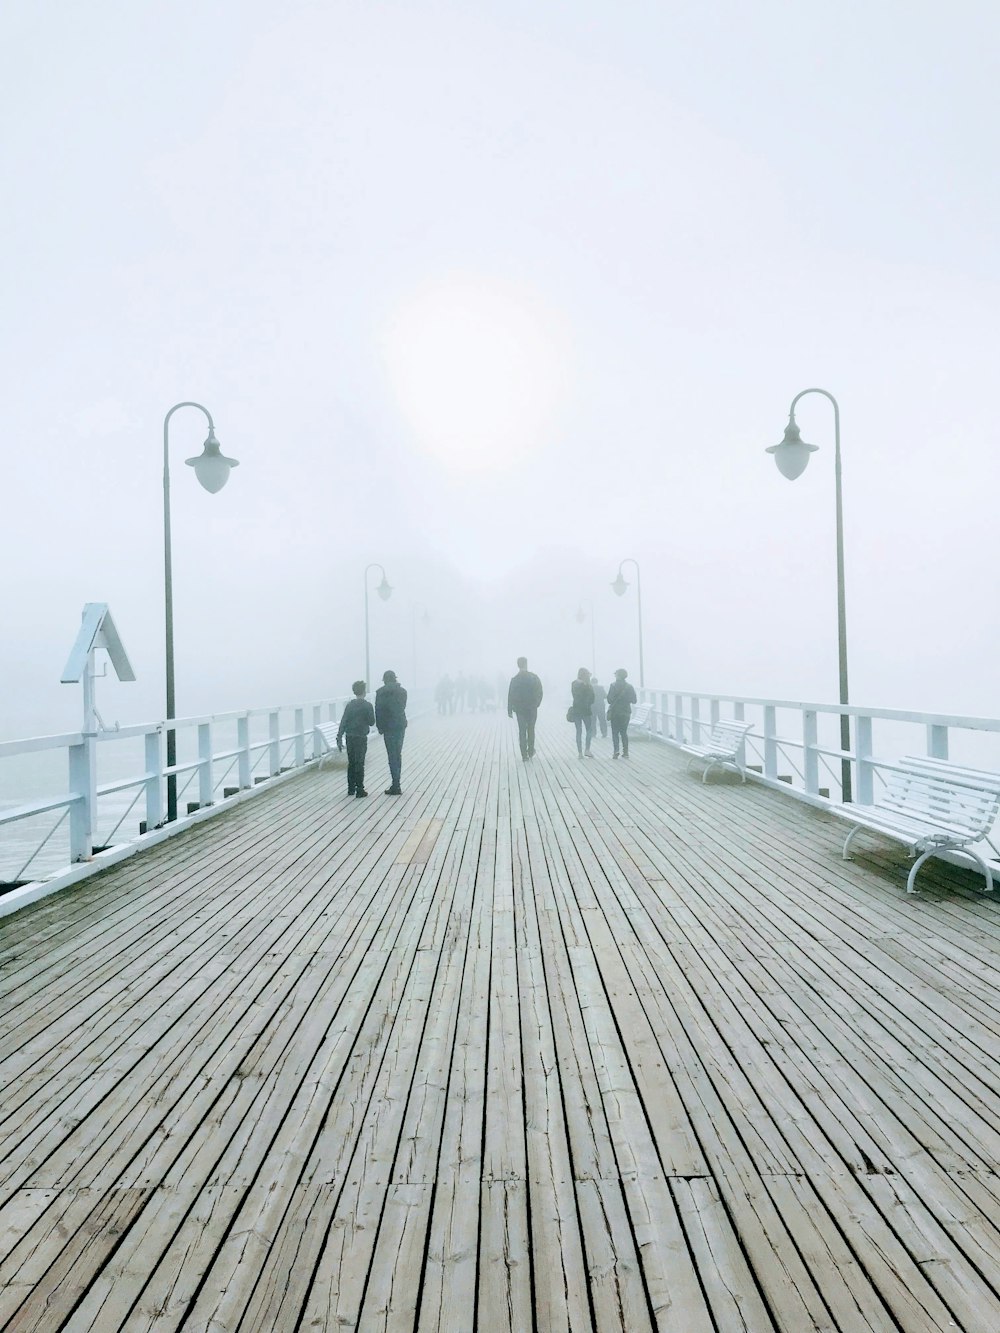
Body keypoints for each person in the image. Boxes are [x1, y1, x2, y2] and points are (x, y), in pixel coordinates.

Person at [336, 680, 375, 797]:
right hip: (361, 737)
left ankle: (351, 788)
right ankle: (360, 789)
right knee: (359, 762)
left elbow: (344, 721)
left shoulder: (349, 705)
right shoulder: (368, 705)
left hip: (350, 736)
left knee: (351, 762)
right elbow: (372, 722)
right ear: (364, 691)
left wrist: (339, 736)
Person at [375, 669, 408, 794]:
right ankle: (397, 783)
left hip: (388, 727)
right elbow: (402, 708)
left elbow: (378, 711)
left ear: (385, 680)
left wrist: (380, 727)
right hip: (400, 726)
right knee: (397, 754)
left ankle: (395, 784)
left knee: (391, 755)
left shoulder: (381, 693)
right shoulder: (403, 692)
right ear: (395, 678)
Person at [507, 656, 543, 760]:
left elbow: (510, 695)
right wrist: (537, 703)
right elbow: (540, 691)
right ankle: (531, 751)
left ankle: (524, 755)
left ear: (518, 665)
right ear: (526, 664)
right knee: (531, 729)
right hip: (531, 708)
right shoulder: (533, 677)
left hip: (520, 709)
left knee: (522, 731)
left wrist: (510, 710)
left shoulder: (515, 679)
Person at [606, 667, 638, 759]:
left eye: (615, 674)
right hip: (625, 712)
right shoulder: (629, 687)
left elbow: (609, 700)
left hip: (615, 712)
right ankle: (626, 752)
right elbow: (634, 700)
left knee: (615, 732)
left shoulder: (613, 686)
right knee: (624, 732)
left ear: (618, 675)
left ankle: (616, 751)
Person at [570, 667, 596, 758]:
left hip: (577, 710)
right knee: (589, 730)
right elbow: (592, 698)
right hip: (586, 711)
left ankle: (580, 753)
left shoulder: (574, 684)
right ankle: (587, 750)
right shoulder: (588, 685)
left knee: (579, 731)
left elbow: (575, 696)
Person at [591, 675, 608, 739]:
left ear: (591, 682)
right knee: (602, 720)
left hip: (592, 706)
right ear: (597, 682)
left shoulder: (589, 688)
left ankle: (593, 734)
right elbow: (605, 696)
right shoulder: (601, 688)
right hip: (600, 706)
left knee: (592, 720)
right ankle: (604, 733)